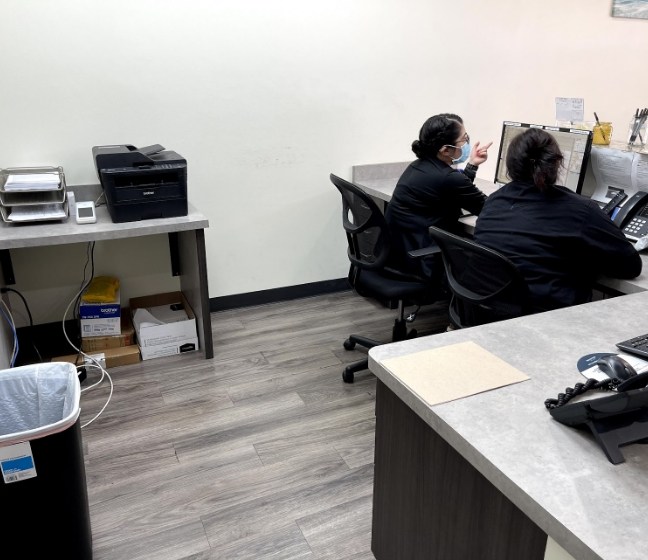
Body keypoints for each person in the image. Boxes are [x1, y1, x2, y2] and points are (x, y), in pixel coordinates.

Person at [473, 127, 642, 312]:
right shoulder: (580, 211)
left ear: (511, 165)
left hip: (488, 313)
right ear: (556, 165)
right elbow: (631, 266)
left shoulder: (493, 201)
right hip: (546, 322)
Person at [385, 113, 492, 284]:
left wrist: (471, 165)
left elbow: (453, 189)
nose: (467, 144)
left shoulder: (419, 167)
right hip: (426, 260)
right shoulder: (447, 177)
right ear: (445, 150)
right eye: (464, 140)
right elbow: (488, 209)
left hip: (403, 256)